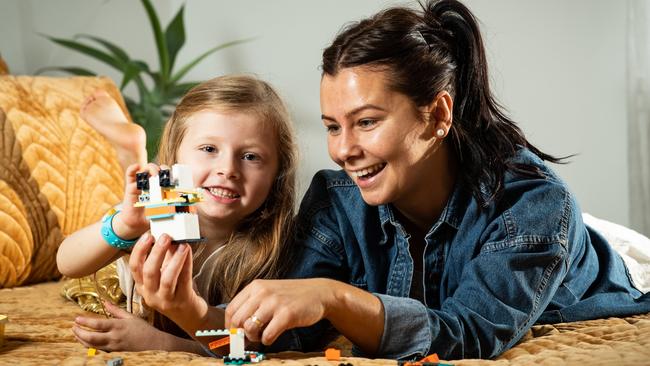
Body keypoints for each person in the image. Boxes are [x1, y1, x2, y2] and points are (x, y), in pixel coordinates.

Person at [219, 0, 650, 360]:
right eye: (333, 127)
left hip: (596, 264)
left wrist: (334, 296)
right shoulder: (336, 199)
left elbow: (467, 335)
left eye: (366, 121)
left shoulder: (533, 206)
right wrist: (186, 308)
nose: (342, 150)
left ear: (439, 114)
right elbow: (289, 330)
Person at [56, 74, 298, 354]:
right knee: (133, 202)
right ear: (176, 156)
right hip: (120, 277)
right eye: (209, 149)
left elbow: (242, 345)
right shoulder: (156, 213)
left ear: (278, 174)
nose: (228, 169)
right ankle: (133, 154)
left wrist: (162, 343)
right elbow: (67, 263)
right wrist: (124, 225)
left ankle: (134, 154)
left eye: (250, 157)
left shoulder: (275, 249)